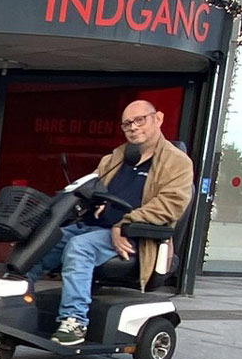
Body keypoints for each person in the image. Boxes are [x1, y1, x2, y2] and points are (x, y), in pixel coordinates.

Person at [27, 99, 193, 345]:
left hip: (137, 237)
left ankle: (74, 322)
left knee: (80, 247)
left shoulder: (177, 162)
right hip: (96, 229)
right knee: (39, 242)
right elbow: (94, 188)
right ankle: (15, 304)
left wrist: (122, 224)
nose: (133, 127)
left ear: (157, 119)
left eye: (140, 120)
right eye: (127, 123)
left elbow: (169, 206)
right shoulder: (114, 158)